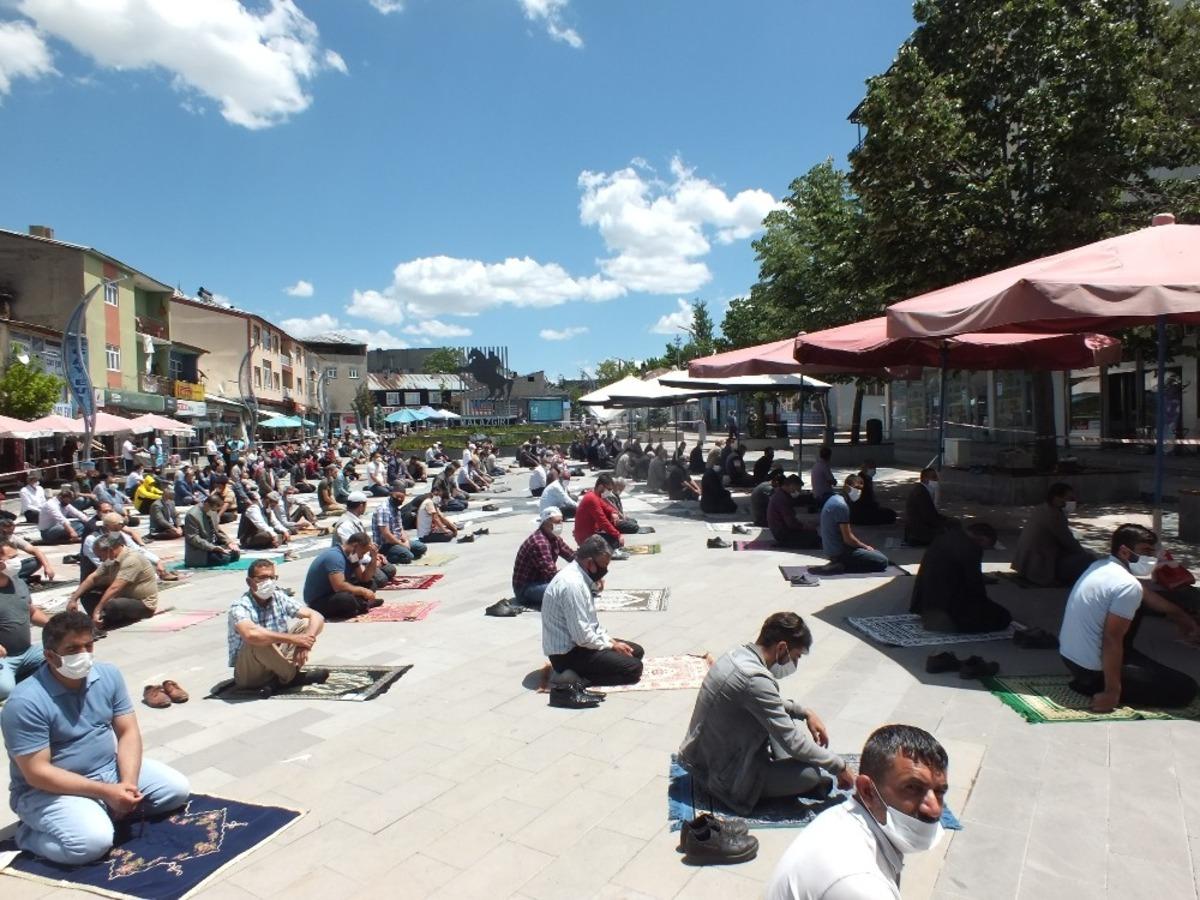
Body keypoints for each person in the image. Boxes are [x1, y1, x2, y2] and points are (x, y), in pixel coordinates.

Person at [0, 611, 191, 865]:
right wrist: (106, 792)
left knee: (176, 790)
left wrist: (128, 784)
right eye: (72, 649)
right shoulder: (25, 702)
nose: (83, 654)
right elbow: (37, 773)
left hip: (107, 771)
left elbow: (128, 732)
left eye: (87, 645)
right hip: (48, 791)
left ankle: (104, 809)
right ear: (49, 655)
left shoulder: (107, 675)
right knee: (91, 844)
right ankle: (27, 836)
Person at [679, 612, 853, 816]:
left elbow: (766, 704)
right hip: (723, 780)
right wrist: (839, 767)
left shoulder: (736, 655)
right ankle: (772, 780)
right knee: (810, 775)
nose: (794, 663)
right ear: (781, 648)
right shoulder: (755, 680)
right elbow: (793, 742)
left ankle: (784, 770)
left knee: (783, 723)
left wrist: (805, 712)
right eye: (795, 656)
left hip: (700, 759)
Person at [766, 725, 950, 900]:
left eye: (940, 792)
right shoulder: (861, 884)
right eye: (912, 788)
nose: (934, 809)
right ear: (867, 791)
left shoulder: (842, 817)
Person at [1059, 524, 1199, 711]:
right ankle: (1095, 686)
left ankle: (1101, 676)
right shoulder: (1127, 586)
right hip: (1091, 671)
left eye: (1152, 552)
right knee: (1185, 689)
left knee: (1139, 601)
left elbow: (1148, 596)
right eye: (1145, 552)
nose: (1151, 558)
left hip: (1070, 659)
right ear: (1125, 552)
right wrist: (1112, 693)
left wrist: (1182, 618)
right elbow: (1111, 639)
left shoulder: (1100, 566)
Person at [541, 535, 643, 686]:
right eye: (603, 566)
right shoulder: (572, 585)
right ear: (590, 563)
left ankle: (586, 670)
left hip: (579, 644)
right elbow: (582, 637)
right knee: (633, 668)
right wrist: (611, 646)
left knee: (636, 652)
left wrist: (611, 641)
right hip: (566, 655)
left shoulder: (580, 576)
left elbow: (591, 624)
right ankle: (571, 677)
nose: (604, 571)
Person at [229, 559, 328, 692]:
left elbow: (317, 616)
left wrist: (305, 642)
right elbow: (250, 634)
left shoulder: (278, 597)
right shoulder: (240, 606)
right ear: (250, 582)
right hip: (251, 671)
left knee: (306, 623)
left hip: (277, 659)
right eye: (262, 578)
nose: (268, 582)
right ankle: (294, 677)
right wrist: (293, 639)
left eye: (272, 577)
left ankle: (278, 680)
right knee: (258, 639)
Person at [910, 522, 1012, 633]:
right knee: (1003, 617)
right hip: (946, 609)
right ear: (982, 539)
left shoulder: (947, 536)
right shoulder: (971, 549)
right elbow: (975, 586)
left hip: (924, 604)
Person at [1011, 482, 1096, 587]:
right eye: (1069, 499)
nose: (1073, 502)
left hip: (1026, 564)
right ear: (1056, 498)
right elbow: (1069, 542)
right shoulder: (1054, 516)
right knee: (1088, 560)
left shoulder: (1041, 509)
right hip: (1039, 566)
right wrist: (1085, 556)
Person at [68, 535, 159, 630]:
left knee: (113, 605)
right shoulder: (111, 559)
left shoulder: (132, 559)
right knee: (87, 594)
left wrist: (98, 609)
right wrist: (73, 599)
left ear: (109, 550)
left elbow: (115, 588)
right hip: (122, 597)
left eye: (100, 556)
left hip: (142, 604)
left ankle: (101, 621)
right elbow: (93, 578)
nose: (99, 559)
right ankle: (100, 621)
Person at [815, 475, 889, 574]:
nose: (858, 492)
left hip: (832, 549)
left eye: (860, 489)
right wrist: (865, 547)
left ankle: (842, 563)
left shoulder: (834, 499)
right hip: (838, 552)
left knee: (875, 553)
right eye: (856, 488)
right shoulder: (841, 506)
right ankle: (842, 565)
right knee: (883, 561)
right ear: (846, 487)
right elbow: (848, 539)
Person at [0, 559, 49, 701]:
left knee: (63, 656)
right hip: (4, 657)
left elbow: (31, 612)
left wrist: (54, 624)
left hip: (27, 652)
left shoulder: (19, 583)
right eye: (10, 558)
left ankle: (15, 675)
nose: (16, 562)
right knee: (5, 689)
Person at [303, 532, 381, 620]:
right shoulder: (335, 557)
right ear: (355, 546)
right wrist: (363, 591)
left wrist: (373, 558)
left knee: (370, 584)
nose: (362, 556)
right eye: (362, 553)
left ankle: (361, 604)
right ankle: (361, 604)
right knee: (346, 600)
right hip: (318, 600)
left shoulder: (352, 556)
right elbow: (339, 586)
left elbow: (364, 578)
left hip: (333, 593)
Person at [512, 507, 576, 609]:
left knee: (575, 586)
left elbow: (571, 556)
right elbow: (551, 573)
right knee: (568, 591)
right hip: (526, 589)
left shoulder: (554, 538)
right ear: (545, 523)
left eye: (561, 522)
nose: (560, 525)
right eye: (557, 522)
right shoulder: (539, 542)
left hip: (542, 581)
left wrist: (589, 571)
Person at [373, 482, 427, 565]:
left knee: (422, 548)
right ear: (391, 494)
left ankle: (401, 551)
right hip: (385, 545)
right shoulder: (384, 509)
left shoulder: (396, 508)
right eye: (397, 497)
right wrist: (402, 544)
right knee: (408, 556)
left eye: (402, 498)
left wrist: (406, 541)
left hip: (397, 540)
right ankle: (386, 556)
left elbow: (400, 528)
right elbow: (386, 534)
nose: (399, 499)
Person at [573, 474, 627, 557]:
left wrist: (614, 513)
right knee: (615, 540)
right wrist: (618, 535)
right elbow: (602, 521)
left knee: (613, 535)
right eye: (608, 489)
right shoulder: (592, 499)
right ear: (601, 487)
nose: (609, 492)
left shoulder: (594, 495)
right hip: (586, 538)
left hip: (590, 534)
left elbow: (606, 507)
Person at [183, 494, 241, 567]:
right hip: (201, 550)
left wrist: (229, 542)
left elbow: (217, 530)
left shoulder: (212, 511)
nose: (215, 511)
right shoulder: (192, 515)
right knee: (224, 558)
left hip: (214, 546)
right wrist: (212, 548)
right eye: (214, 509)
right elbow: (193, 538)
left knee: (235, 552)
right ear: (207, 504)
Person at [903, 468, 952, 547]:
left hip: (916, 530)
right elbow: (929, 517)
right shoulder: (921, 493)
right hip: (919, 534)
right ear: (925, 479)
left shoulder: (922, 490)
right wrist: (945, 523)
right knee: (952, 530)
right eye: (933, 477)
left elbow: (930, 514)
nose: (936, 480)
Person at [768, 476, 821, 548]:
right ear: (792, 485)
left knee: (815, 535)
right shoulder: (782, 499)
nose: (798, 491)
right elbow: (791, 523)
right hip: (783, 533)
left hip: (780, 530)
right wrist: (805, 527)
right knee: (814, 537)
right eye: (798, 488)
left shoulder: (781, 494)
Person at [0, 517, 55, 585]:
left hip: (9, 567)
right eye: (5, 532)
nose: (9, 534)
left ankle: (16, 580)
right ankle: (19, 580)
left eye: (11, 531)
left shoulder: (12, 538)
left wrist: (47, 567)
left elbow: (35, 550)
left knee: (36, 561)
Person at [850, 460, 898, 526]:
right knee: (890, 515)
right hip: (863, 513)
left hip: (861, 512)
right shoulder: (861, 481)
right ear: (865, 468)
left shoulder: (866, 479)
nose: (874, 470)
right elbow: (865, 500)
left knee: (890, 513)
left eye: (874, 468)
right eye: (871, 468)